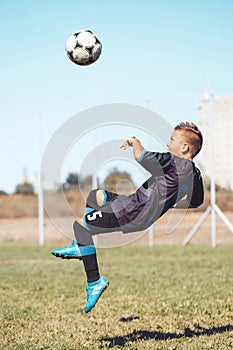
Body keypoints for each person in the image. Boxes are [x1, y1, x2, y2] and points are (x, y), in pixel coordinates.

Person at [51, 122, 204, 313]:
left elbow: (141, 156)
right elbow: (196, 202)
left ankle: (94, 281)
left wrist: (134, 140)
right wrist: (170, 203)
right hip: (133, 204)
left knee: (81, 227)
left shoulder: (174, 161)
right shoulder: (195, 174)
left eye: (172, 139)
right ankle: (81, 246)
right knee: (96, 196)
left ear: (185, 147)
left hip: (132, 212)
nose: (167, 143)